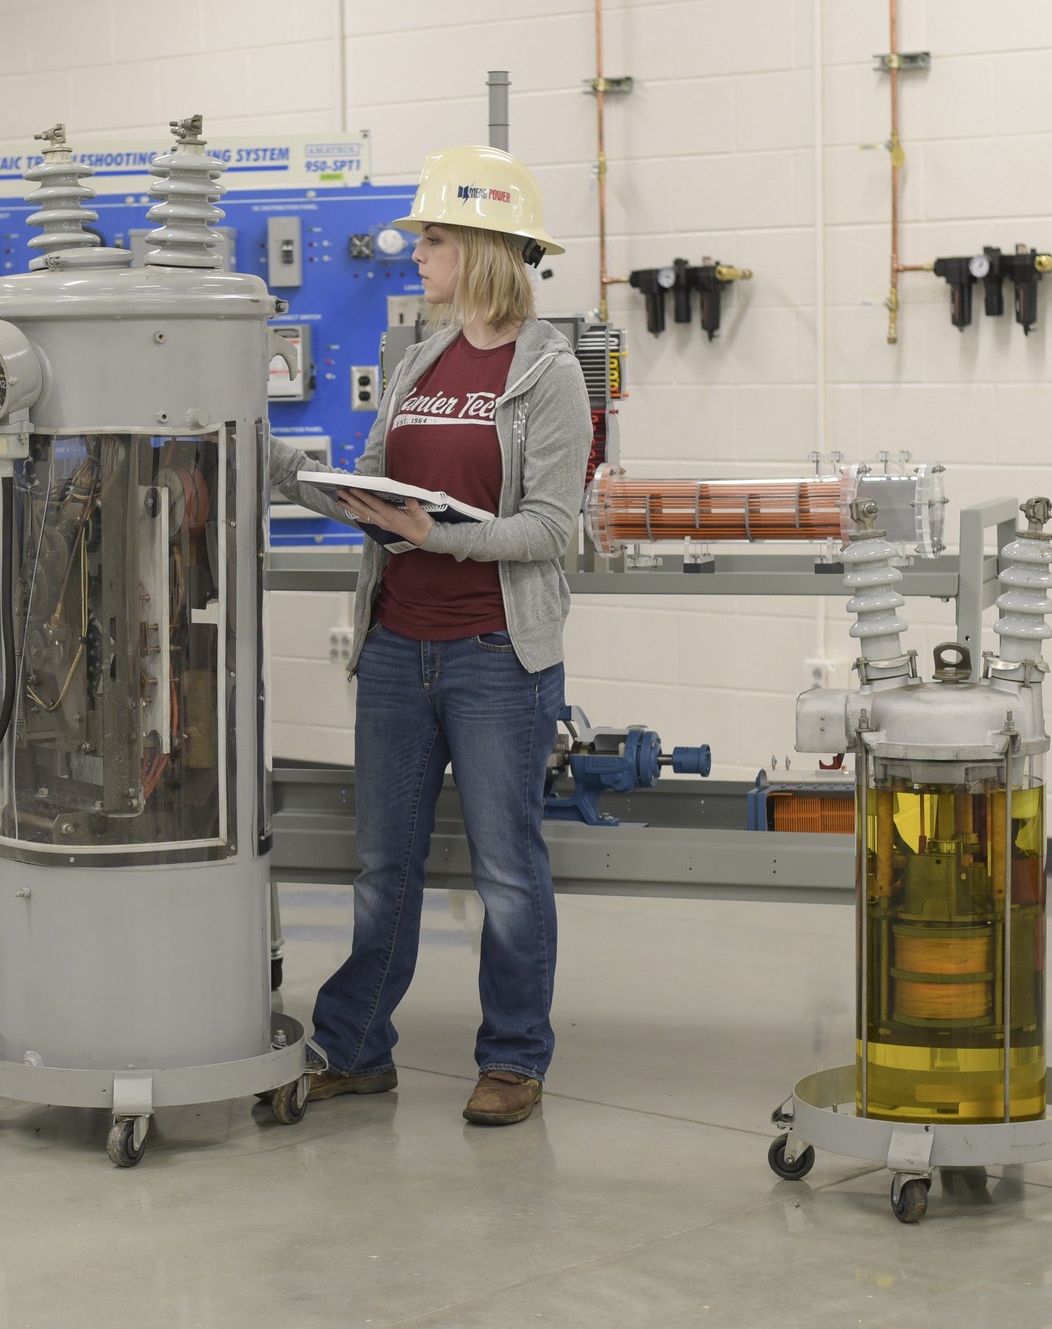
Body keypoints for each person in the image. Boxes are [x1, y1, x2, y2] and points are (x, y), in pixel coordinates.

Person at [265, 145, 588, 1126]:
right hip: (398, 650)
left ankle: (513, 1061)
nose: (417, 253)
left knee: (505, 871)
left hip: (496, 658)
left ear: (485, 250)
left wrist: (441, 538)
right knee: (382, 868)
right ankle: (356, 1049)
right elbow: (373, 478)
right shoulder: (418, 359)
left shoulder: (548, 375)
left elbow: (553, 528)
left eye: (433, 239)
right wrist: (289, 471)